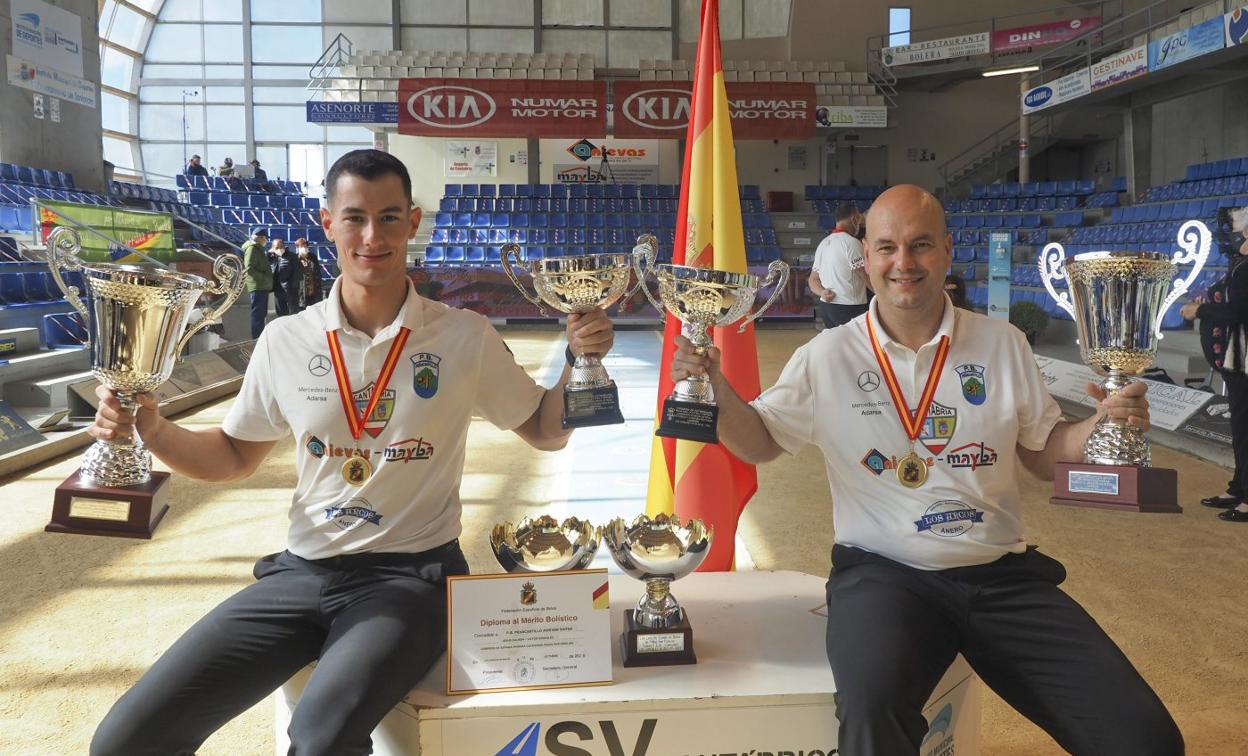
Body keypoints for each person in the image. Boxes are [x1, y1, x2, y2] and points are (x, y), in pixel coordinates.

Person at [88, 149, 615, 755]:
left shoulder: (463, 335)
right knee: (126, 739)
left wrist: (579, 361)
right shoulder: (286, 339)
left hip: (408, 581)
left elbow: (546, 431)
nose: (372, 236)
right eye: (355, 217)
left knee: (320, 742)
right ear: (327, 222)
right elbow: (233, 455)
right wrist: (151, 426)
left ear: (414, 223)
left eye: (390, 218)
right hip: (299, 574)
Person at [671, 185, 1182, 756]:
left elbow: (1043, 454)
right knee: (871, 711)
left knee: (1145, 738)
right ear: (865, 258)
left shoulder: (1003, 343)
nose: (903, 264)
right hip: (885, 576)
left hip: (1000, 573)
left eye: (919, 246)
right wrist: (715, 391)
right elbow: (761, 443)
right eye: (887, 247)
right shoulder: (828, 354)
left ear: (946, 248)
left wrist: (1103, 423)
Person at [1183, 215, 1248, 523]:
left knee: (1246, 430)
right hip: (1238, 365)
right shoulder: (1239, 266)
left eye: (1241, 232)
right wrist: (1209, 300)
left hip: (1245, 362)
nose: (1237, 237)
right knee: (1241, 430)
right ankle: (1239, 487)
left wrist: (1201, 310)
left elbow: (1238, 311)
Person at [809, 202, 870, 329]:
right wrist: (881, 294)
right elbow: (864, 275)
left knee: (838, 345)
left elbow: (813, 279)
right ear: (854, 218)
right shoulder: (852, 243)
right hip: (849, 307)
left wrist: (822, 292)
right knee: (855, 346)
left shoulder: (824, 243)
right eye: (859, 219)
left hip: (827, 307)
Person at [241, 229, 271, 339]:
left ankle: (259, 338)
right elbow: (249, 268)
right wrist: (264, 278)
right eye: (265, 238)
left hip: (261, 286)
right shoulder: (252, 249)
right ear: (260, 237)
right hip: (258, 286)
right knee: (258, 315)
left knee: (261, 315)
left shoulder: (258, 249)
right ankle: (257, 340)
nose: (266, 240)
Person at [271, 238, 302, 316]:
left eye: (281, 247)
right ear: (273, 248)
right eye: (277, 248)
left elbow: (298, 273)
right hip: (277, 290)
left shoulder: (292, 256)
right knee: (281, 314)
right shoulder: (272, 258)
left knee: (294, 313)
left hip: (290, 290)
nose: (279, 249)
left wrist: (293, 287)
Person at [295, 237, 323, 309]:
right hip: (302, 293)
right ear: (298, 247)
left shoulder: (313, 257)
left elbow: (317, 273)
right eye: (302, 246)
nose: (304, 247)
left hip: (314, 292)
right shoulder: (295, 259)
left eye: (306, 245)